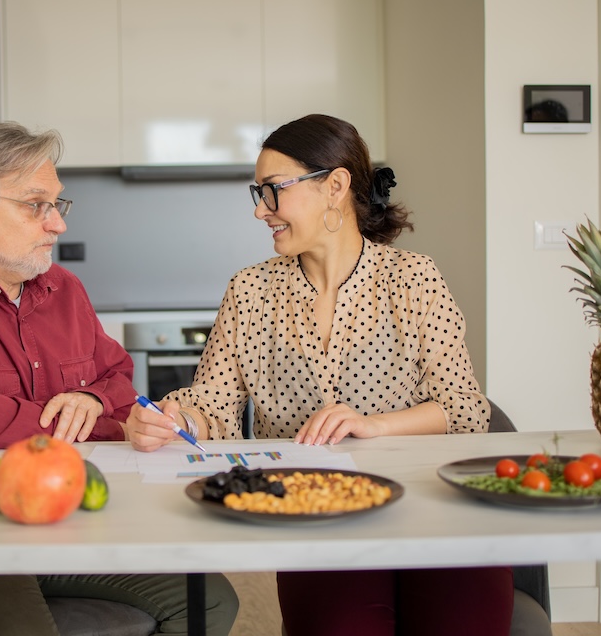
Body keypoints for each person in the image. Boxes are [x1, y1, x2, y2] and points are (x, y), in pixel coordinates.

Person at [124, 114, 513, 636]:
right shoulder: (250, 291)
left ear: (334, 187)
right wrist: (176, 418)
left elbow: (465, 409)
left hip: (435, 509)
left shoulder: (414, 278)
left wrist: (373, 424)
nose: (261, 211)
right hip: (318, 519)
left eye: (272, 191)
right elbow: (212, 405)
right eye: (257, 194)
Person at [0, 121, 238, 636]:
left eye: (57, 205)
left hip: (68, 519)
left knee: (213, 603)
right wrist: (95, 423)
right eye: (35, 205)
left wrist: (91, 396)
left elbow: (117, 375)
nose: (57, 225)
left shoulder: (65, 289)